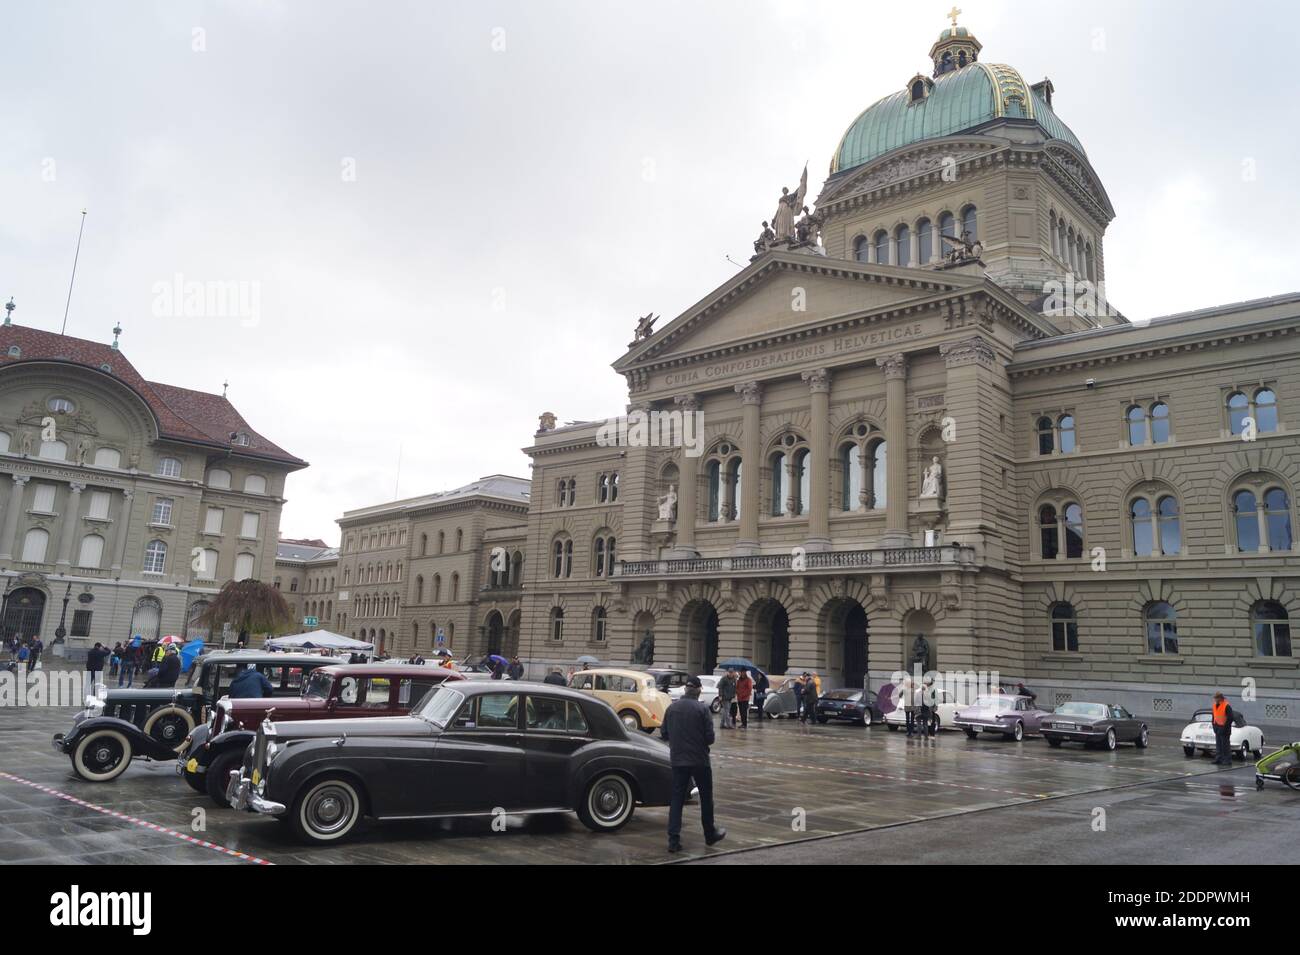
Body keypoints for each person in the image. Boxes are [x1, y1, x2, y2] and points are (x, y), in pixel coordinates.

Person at [660, 676, 726, 853]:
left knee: (677, 799)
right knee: (706, 797)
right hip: (699, 760)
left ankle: (673, 840)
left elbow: (664, 733)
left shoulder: (672, 708)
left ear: (685, 690)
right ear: (697, 691)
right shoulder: (702, 709)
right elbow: (710, 738)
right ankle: (709, 834)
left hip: (678, 759)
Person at [1211, 691, 1236, 767]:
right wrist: (1214, 726)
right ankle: (1219, 759)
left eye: (1216, 698)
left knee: (1225, 746)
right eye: (1214, 698)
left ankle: (1227, 760)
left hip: (1224, 729)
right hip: (1217, 728)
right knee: (1218, 745)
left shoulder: (1226, 706)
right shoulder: (1215, 705)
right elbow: (1214, 716)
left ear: (1220, 698)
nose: (1215, 699)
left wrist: (1225, 727)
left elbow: (1230, 718)